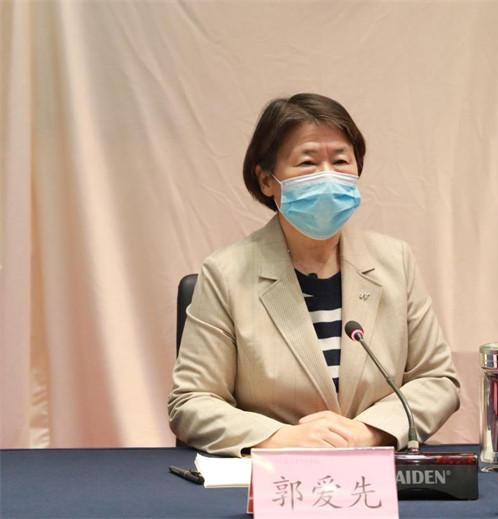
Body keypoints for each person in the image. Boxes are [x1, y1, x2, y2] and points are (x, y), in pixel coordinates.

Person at [168, 93, 460, 457]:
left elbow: (437, 381)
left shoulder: (394, 262)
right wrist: (282, 438)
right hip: (276, 478)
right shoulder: (226, 274)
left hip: (374, 475)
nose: (327, 176)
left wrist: (365, 432)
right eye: (307, 162)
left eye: (340, 161)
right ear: (266, 180)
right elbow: (191, 402)